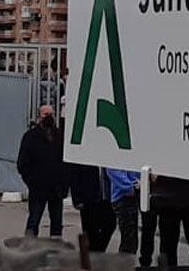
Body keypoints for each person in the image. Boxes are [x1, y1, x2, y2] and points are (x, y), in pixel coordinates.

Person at [17, 105, 67, 239]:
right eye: (45, 114)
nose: (49, 117)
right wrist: (31, 182)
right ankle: (29, 246)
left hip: (57, 187)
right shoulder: (30, 136)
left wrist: (64, 183)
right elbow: (22, 163)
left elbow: (66, 162)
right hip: (38, 187)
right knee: (34, 218)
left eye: (51, 114)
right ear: (39, 116)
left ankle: (56, 247)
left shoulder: (61, 135)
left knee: (57, 221)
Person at [68, 163, 116, 252]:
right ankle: (92, 254)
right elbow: (74, 175)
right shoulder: (86, 158)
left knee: (110, 224)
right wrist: (76, 199)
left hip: (106, 198)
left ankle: (98, 250)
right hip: (87, 199)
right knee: (90, 231)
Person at [107, 169, 141, 255]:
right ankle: (124, 266)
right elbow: (112, 170)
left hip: (131, 195)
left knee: (131, 241)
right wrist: (131, 187)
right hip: (123, 197)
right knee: (128, 242)